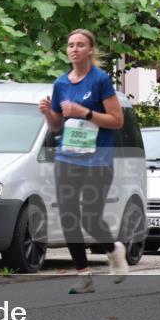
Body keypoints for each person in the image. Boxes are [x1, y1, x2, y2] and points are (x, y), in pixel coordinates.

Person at [39, 28, 127, 293]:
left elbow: (117, 121)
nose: (74, 49)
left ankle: (114, 249)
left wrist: (85, 113)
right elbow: (56, 126)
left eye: (79, 45)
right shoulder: (60, 84)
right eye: (70, 45)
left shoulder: (100, 80)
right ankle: (84, 275)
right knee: (67, 216)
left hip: (98, 161)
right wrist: (47, 113)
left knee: (90, 219)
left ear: (90, 50)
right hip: (68, 159)